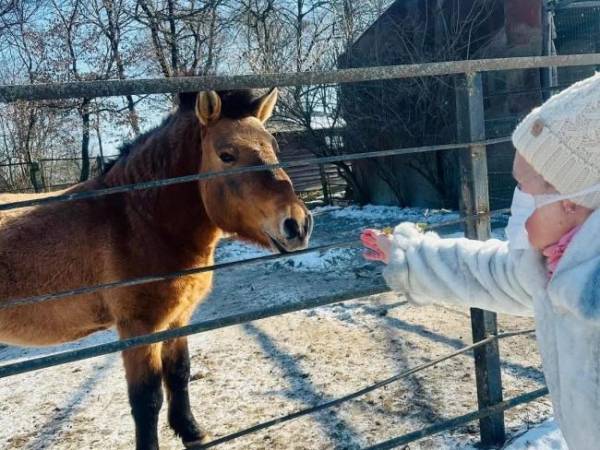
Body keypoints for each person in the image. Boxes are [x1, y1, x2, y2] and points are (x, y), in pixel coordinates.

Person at [361, 72, 600, 450]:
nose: (516, 205)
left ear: (572, 201)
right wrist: (413, 257)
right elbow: (492, 273)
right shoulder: (559, 264)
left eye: (526, 190)